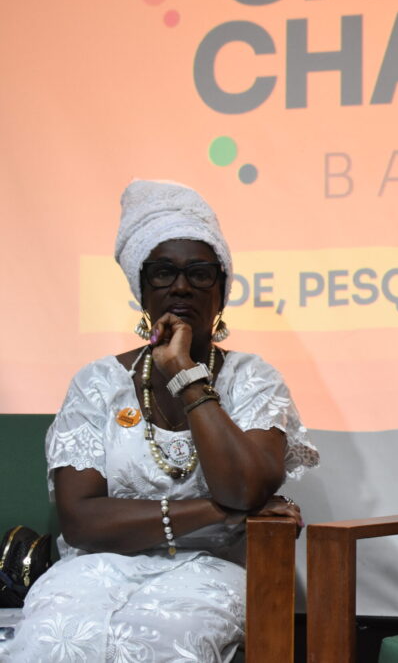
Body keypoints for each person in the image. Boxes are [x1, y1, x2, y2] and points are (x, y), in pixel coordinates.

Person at [1, 180, 319, 662]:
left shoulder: (253, 380)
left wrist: (186, 377)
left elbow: (245, 488)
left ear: (222, 291)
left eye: (200, 273)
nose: (181, 286)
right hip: (94, 569)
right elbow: (82, 520)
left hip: (211, 570)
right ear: (142, 289)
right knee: (56, 636)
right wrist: (217, 513)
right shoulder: (97, 383)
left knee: (158, 638)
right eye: (164, 272)